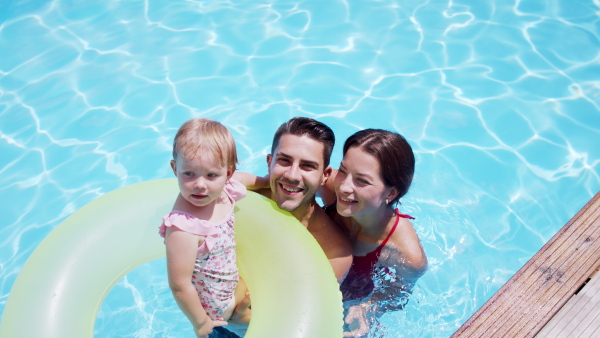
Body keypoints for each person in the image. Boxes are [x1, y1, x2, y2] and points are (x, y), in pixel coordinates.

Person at [219, 117, 354, 336]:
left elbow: (301, 315)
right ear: (269, 162)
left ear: (324, 176)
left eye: (308, 166)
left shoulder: (334, 252)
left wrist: (247, 321)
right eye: (284, 161)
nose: (292, 175)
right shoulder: (237, 198)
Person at [159, 118, 264, 338]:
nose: (200, 184)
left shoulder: (224, 191)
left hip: (232, 286)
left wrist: (265, 181)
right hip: (216, 314)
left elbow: (244, 180)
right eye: (189, 173)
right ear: (174, 168)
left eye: (211, 175)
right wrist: (200, 323)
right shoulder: (183, 227)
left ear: (228, 173)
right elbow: (179, 285)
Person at [320, 129, 428, 337]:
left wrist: (368, 308)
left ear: (391, 193)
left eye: (361, 181)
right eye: (343, 170)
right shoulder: (330, 186)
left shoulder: (407, 255)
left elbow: (397, 294)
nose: (343, 187)